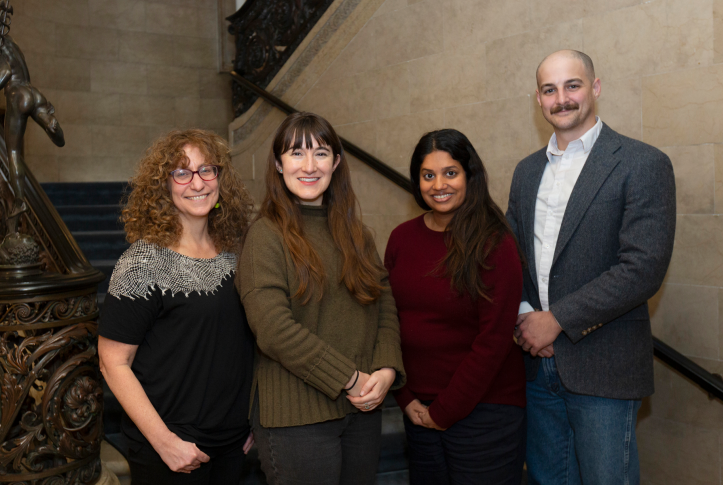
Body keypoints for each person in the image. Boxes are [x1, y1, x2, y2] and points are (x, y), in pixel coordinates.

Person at [507, 50, 676, 484]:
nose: (561, 99)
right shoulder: (526, 172)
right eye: (549, 90)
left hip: (604, 367)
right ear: (538, 100)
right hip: (536, 366)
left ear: (595, 88)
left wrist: (558, 320)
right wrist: (527, 318)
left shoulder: (642, 163)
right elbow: (512, 257)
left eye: (572, 85)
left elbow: (642, 268)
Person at [237, 111, 406, 485]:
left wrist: (386, 368)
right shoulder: (265, 236)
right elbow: (272, 328)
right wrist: (349, 378)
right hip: (296, 418)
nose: (309, 165)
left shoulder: (357, 233)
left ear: (337, 162)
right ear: (279, 164)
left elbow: (385, 306)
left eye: (321, 153)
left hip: (362, 411)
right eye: (296, 153)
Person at [98, 129, 256, 484]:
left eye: (206, 170)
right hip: (169, 449)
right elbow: (113, 363)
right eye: (181, 173)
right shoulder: (142, 262)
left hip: (232, 443)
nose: (196, 183)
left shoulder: (238, 253)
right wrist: (165, 442)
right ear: (164, 187)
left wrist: (254, 418)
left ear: (220, 179)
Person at [385, 129, 526, 484]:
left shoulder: (495, 241)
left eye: (450, 172)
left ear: (469, 175)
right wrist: (405, 397)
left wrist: (446, 411)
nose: (438, 185)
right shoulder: (401, 238)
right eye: (427, 175)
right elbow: (386, 321)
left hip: (485, 412)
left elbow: (493, 340)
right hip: (419, 411)